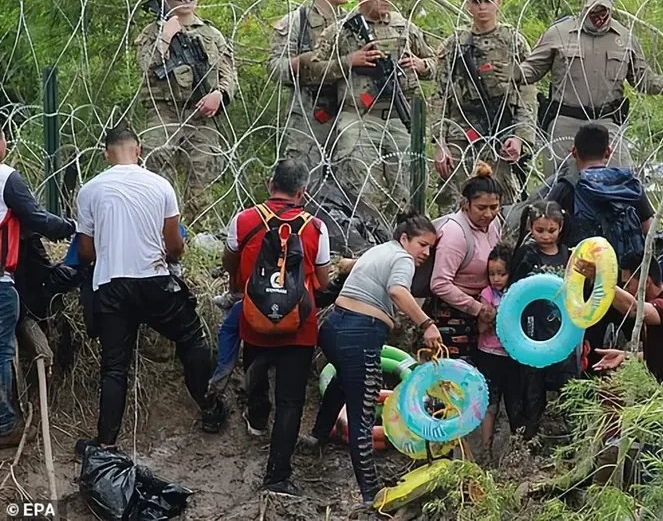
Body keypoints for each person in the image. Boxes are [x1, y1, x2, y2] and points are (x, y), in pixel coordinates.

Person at [75, 126, 226, 447]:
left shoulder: (90, 190)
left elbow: (86, 252)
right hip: (156, 280)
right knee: (191, 338)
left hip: (112, 285)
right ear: (139, 149)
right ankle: (209, 405)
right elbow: (174, 245)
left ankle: (105, 444)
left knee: (114, 367)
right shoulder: (160, 186)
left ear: (106, 154)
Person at [304, 208, 441, 504]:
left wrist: (349, 262)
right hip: (360, 334)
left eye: (431, 247)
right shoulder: (403, 258)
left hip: (333, 329)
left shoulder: (381, 250)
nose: (427, 252)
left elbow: (347, 265)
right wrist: (427, 324)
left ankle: (316, 435)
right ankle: (370, 494)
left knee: (343, 382)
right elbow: (397, 292)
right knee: (363, 414)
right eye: (423, 245)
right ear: (405, 238)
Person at [222, 159, 330, 495]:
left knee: (255, 368)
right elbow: (324, 281)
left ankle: (256, 420)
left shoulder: (244, 220)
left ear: (271, 184)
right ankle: (278, 475)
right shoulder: (316, 227)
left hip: (255, 317)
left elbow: (230, 261)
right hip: (298, 326)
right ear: (303, 192)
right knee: (291, 401)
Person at [509, 0, 663, 177]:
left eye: (603, 8)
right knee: (560, 189)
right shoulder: (558, 34)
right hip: (566, 125)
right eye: (593, 9)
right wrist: (514, 72)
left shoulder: (625, 38)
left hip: (607, 125)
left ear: (612, 5)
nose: (598, 14)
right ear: (583, 5)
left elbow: (643, 80)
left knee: (619, 183)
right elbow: (532, 70)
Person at [306, 0, 435, 220]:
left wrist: (422, 65)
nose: (386, 0)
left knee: (410, 187)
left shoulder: (404, 27)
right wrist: (349, 61)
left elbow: (436, 61)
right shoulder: (340, 30)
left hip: (399, 116)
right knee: (361, 190)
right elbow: (313, 71)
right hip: (359, 117)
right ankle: (364, 245)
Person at [136, 0, 237, 224]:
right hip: (164, 110)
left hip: (201, 113)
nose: (186, 1)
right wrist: (166, 37)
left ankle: (200, 230)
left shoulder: (211, 34)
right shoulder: (152, 33)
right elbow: (145, 67)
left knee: (202, 172)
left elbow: (230, 74)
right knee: (157, 166)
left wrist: (220, 94)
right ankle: (163, 227)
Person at [430, 0, 536, 211]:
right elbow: (440, 94)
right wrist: (440, 142)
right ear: (468, 5)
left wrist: (520, 137)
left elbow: (527, 94)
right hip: (461, 130)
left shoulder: (513, 42)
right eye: (476, 1)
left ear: (498, 2)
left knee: (501, 202)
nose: (482, 7)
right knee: (456, 203)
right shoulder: (455, 45)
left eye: (487, 0)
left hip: (501, 129)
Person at [0, 126, 76, 448]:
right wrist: (73, 227)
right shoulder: (5, 177)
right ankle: (5, 425)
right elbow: (36, 217)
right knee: (2, 351)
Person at [267, 0, 356, 177]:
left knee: (347, 183)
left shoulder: (353, 23)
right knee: (305, 178)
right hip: (309, 113)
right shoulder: (296, 22)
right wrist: (303, 62)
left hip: (348, 111)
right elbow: (274, 68)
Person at [509, 201, 574, 439]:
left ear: (561, 227)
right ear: (530, 227)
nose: (545, 236)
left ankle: (572, 437)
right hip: (531, 329)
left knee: (568, 382)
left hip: (561, 329)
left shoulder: (568, 255)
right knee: (532, 386)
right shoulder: (527, 254)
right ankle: (530, 438)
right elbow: (513, 290)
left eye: (551, 230)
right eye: (539, 230)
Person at [593, 254, 663, 386]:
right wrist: (626, 356)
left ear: (646, 282)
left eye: (627, 284)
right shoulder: (660, 304)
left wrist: (601, 280)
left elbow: (634, 309)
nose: (625, 290)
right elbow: (660, 354)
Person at [430, 164, 503, 358]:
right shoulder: (455, 234)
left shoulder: (494, 224)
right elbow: (439, 283)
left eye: (494, 207)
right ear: (466, 204)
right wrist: (476, 308)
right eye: (481, 208)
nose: (488, 214)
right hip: (452, 316)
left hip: (484, 310)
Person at [548, 122, 653, 257]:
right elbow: (648, 228)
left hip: (582, 267)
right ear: (608, 152)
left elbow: (544, 224)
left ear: (574, 152)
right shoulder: (629, 185)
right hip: (625, 270)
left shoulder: (566, 187)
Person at [475, 243, 522, 458]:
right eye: (492, 274)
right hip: (489, 355)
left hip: (513, 356)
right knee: (489, 405)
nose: (496, 279)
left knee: (515, 404)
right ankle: (486, 451)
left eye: (501, 273)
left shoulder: (518, 292)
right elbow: (482, 327)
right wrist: (491, 314)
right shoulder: (487, 294)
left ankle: (516, 451)